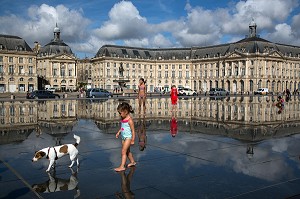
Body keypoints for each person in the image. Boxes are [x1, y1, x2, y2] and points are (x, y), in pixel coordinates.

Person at [115, 102, 136, 172]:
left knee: (123, 151)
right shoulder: (123, 119)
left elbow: (133, 131)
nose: (119, 114)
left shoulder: (130, 120)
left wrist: (133, 139)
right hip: (123, 137)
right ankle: (133, 162)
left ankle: (122, 166)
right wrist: (118, 132)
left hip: (128, 138)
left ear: (126, 112)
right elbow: (122, 127)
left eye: (120, 113)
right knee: (127, 152)